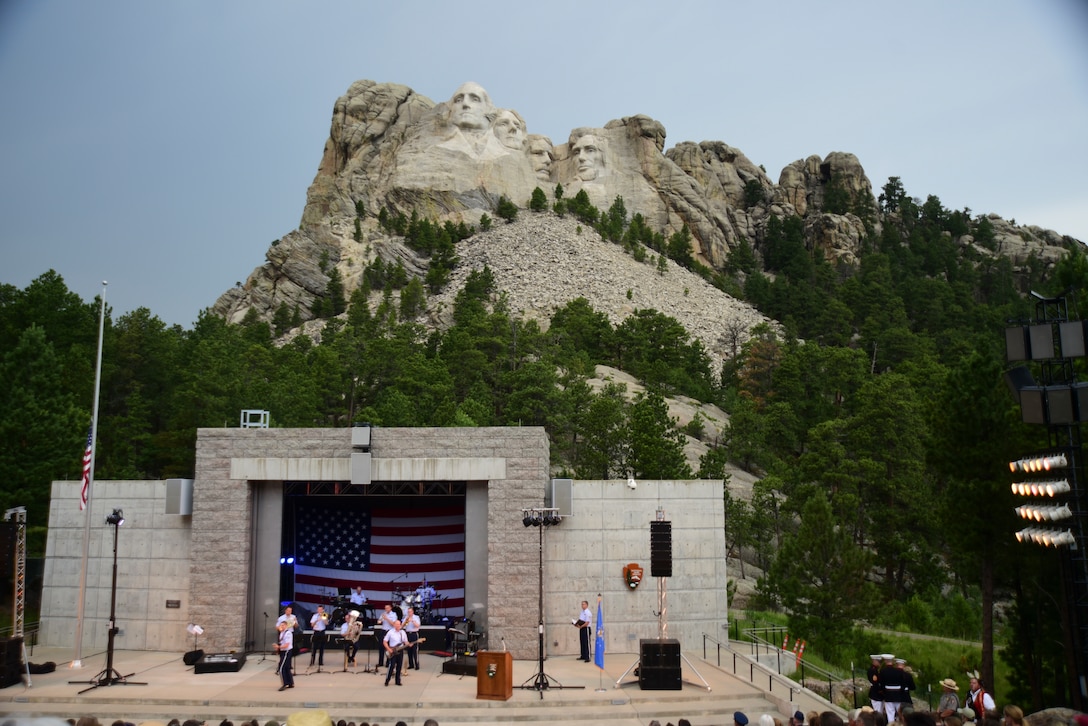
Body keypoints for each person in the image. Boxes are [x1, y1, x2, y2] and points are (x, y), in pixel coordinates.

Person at [383, 619, 408, 686]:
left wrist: (409, 644)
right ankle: (387, 680)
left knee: (399, 666)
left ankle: (398, 681)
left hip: (400, 651)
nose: (398, 626)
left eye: (399, 624)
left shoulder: (402, 632)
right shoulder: (390, 632)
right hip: (392, 650)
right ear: (394, 625)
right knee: (392, 665)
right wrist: (388, 649)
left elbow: (405, 641)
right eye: (396, 624)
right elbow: (385, 641)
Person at [274, 619, 295, 691]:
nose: (281, 626)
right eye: (281, 625)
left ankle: (284, 683)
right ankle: (290, 683)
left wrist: (279, 647)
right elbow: (282, 642)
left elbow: (286, 645)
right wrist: (278, 649)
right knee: (286, 668)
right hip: (282, 651)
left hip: (287, 651)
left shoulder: (288, 633)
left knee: (281, 667)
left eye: (283, 625)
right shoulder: (281, 633)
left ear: (286, 626)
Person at [377, 603, 396, 667]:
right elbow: (379, 621)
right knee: (381, 647)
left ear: (390, 608)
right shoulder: (383, 614)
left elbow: (393, 624)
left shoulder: (393, 614)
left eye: (387, 608)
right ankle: (380, 662)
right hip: (383, 631)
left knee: (388, 647)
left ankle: (388, 662)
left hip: (389, 631)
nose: (386, 609)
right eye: (385, 608)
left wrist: (387, 618)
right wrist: (381, 620)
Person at [403, 606, 422, 670]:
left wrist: (412, 621)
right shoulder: (406, 617)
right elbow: (402, 626)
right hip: (408, 634)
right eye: (408, 612)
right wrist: (406, 621)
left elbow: (418, 626)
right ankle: (411, 664)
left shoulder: (416, 617)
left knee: (415, 650)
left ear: (413, 612)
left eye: (410, 611)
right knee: (409, 650)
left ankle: (417, 664)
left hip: (414, 634)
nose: (409, 613)